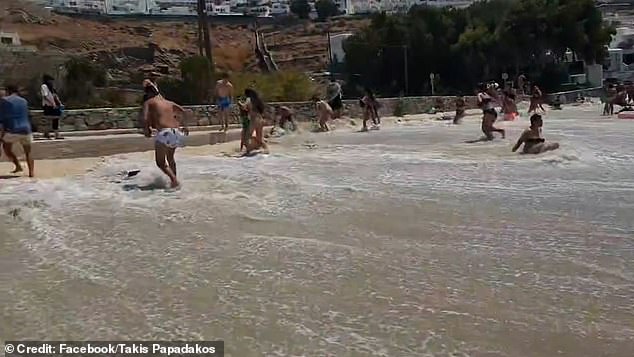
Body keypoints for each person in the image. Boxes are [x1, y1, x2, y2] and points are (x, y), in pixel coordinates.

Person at [143, 95, 191, 188]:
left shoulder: (149, 102)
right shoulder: (170, 103)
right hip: (176, 132)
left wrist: (147, 129)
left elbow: (145, 118)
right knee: (170, 158)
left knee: (160, 162)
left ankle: (174, 180)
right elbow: (183, 111)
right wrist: (185, 125)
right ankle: (174, 181)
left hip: (164, 132)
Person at [0, 85, 35, 177]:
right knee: (28, 152)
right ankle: (31, 173)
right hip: (26, 129)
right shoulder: (24, 101)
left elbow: (2, 118)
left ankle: (18, 165)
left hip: (13, 129)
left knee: (6, 148)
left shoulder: (5, 101)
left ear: (8, 91)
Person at [244, 88, 268, 154]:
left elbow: (245, 107)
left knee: (247, 136)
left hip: (254, 119)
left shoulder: (249, 99)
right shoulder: (258, 100)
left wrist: (239, 103)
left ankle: (248, 151)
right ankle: (266, 149)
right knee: (260, 138)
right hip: (260, 119)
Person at [41, 74, 63, 139]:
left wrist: (59, 103)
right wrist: (52, 103)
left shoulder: (51, 87)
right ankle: (46, 133)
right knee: (48, 119)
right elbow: (45, 96)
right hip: (48, 105)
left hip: (54, 105)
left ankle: (56, 134)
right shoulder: (44, 86)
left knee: (56, 119)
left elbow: (55, 95)